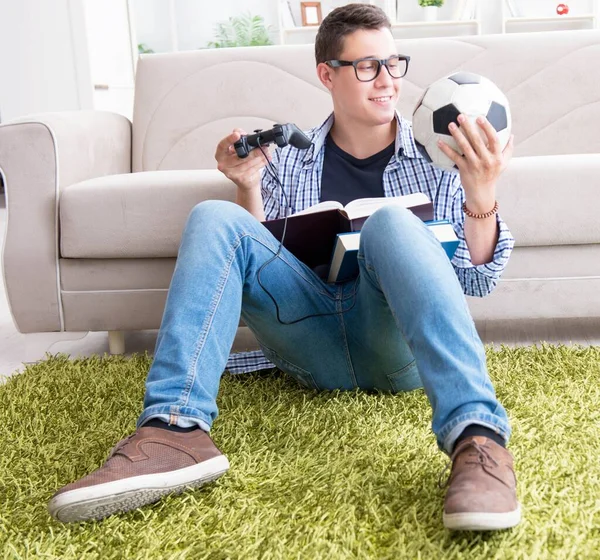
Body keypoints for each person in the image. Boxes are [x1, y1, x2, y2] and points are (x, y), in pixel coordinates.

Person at [49, 3, 520, 531]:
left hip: (392, 349)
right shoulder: (289, 158)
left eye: (394, 63)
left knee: (389, 223)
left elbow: (476, 281)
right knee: (214, 216)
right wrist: (247, 185)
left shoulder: (442, 156)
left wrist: (482, 192)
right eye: (367, 66)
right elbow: (256, 262)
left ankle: (478, 438)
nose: (387, 81)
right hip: (308, 346)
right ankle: (174, 430)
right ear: (327, 74)